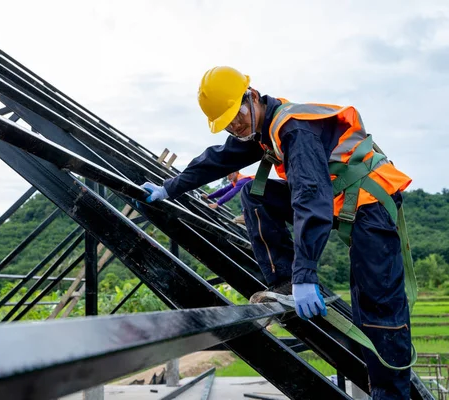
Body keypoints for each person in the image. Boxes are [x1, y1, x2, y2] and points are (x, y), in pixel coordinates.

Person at [140, 66, 413, 399]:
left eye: (236, 117)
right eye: (225, 123)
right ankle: (282, 281)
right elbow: (216, 160)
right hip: (342, 201)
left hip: (370, 206)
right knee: (254, 194)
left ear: (252, 97)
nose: (234, 126)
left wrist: (306, 275)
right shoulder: (260, 128)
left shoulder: (293, 129)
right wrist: (168, 189)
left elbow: (310, 201)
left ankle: (392, 395)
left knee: (378, 308)